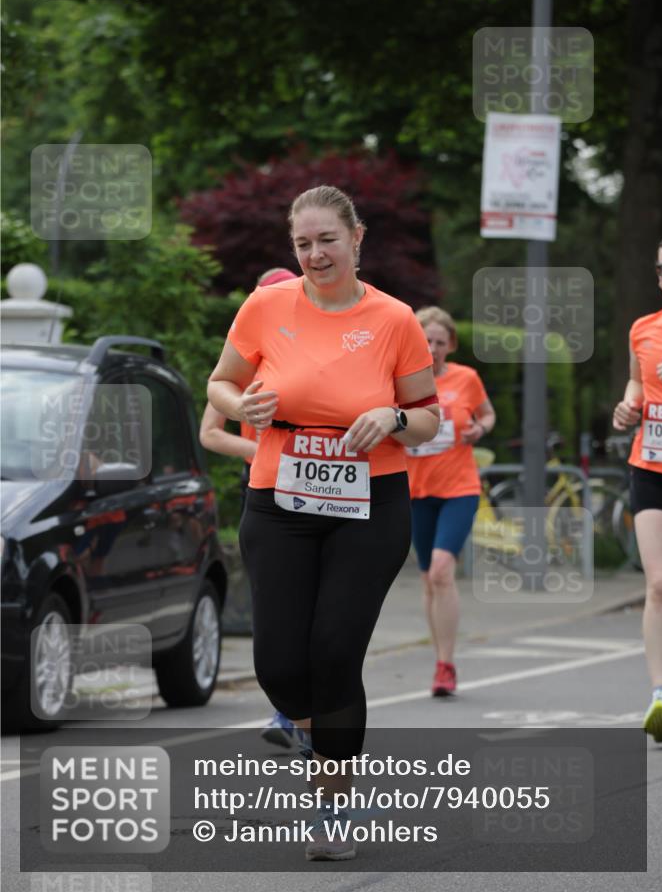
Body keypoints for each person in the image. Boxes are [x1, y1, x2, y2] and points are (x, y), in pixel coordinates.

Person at [207, 184, 439, 861]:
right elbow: (219, 382)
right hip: (278, 499)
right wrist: (242, 405)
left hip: (368, 505)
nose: (314, 253)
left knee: (334, 652)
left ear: (356, 238)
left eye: (326, 240)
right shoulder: (266, 305)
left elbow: (427, 415)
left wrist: (392, 417)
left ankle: (332, 803)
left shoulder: (393, 319)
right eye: (302, 243)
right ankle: (318, 739)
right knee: (278, 664)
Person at [199, 267, 305, 751]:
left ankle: (304, 710)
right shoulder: (245, 354)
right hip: (262, 487)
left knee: (315, 605)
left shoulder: (317, 349)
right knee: (275, 599)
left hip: (321, 489)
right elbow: (210, 433)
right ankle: (289, 709)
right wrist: (260, 449)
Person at [405, 307, 496, 697]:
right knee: (428, 578)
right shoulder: (402, 383)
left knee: (442, 571)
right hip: (414, 491)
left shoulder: (466, 379)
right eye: (427, 341)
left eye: (441, 342)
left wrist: (480, 427)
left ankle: (446, 665)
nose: (434, 348)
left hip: (459, 488)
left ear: (451, 346)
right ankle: (439, 654)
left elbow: (488, 415)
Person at [612, 238, 662, 743]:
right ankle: (661, 694)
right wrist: (628, 406)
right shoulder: (643, 329)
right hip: (650, 465)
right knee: (658, 584)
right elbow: (637, 385)